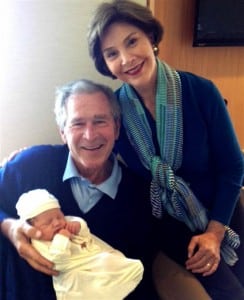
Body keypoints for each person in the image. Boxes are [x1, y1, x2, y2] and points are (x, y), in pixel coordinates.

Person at [87, 1, 244, 299]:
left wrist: (214, 232)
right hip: (167, 224)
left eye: (132, 41)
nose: (126, 59)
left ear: (150, 37)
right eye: (112, 54)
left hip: (222, 212)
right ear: (105, 64)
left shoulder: (201, 92)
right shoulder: (114, 111)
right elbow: (90, 147)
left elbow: (233, 167)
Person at [0, 79, 158, 300]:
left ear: (117, 127)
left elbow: (138, 278)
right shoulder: (30, 165)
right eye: (77, 124)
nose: (90, 135)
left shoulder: (140, 195)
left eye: (100, 121)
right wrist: (9, 228)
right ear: (63, 132)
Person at [16, 188, 144, 300]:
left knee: (107, 261)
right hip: (71, 272)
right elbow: (56, 263)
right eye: (48, 222)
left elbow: (84, 231)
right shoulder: (39, 243)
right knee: (82, 286)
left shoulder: (66, 222)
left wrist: (78, 226)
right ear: (32, 229)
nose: (57, 223)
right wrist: (62, 238)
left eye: (59, 216)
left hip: (92, 257)